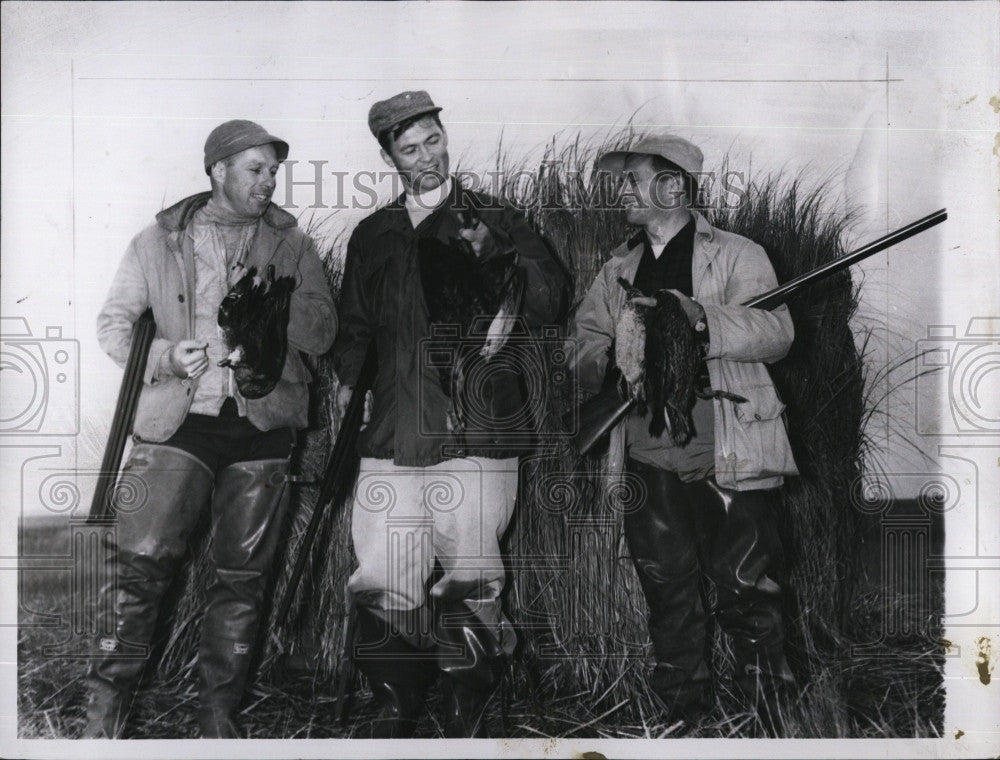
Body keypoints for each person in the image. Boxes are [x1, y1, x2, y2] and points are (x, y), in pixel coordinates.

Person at [86, 120, 336, 738]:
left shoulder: (292, 245)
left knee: (243, 581)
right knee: (141, 567)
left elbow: (323, 329)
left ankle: (217, 716)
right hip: (179, 426)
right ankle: (103, 712)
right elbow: (115, 323)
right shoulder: (158, 240)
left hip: (263, 428)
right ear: (218, 170)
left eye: (273, 170)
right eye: (255, 169)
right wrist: (166, 358)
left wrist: (269, 331)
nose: (268, 181)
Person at [332, 90, 569, 738]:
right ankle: (395, 702)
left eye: (434, 139)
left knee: (472, 575)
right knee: (382, 575)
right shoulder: (372, 236)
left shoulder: (495, 216)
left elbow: (550, 300)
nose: (427, 156)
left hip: (481, 432)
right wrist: (362, 382)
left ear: (445, 134)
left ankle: (471, 706)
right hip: (393, 439)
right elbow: (352, 332)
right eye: (410, 149)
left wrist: (499, 252)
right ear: (390, 158)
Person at [570, 134, 799, 731]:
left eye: (634, 178)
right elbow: (581, 344)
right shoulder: (616, 266)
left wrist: (704, 319)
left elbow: (777, 333)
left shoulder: (738, 254)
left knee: (746, 585)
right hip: (648, 450)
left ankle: (771, 716)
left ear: (674, 186)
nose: (621, 190)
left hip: (729, 444)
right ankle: (684, 718)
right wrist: (613, 354)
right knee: (667, 589)